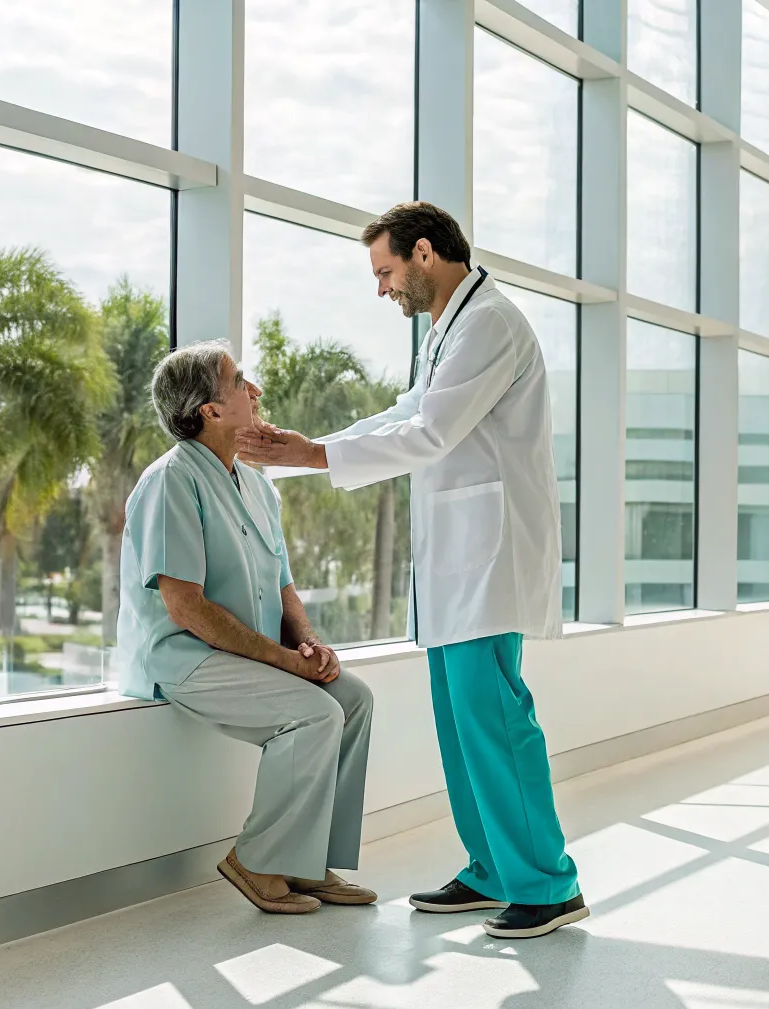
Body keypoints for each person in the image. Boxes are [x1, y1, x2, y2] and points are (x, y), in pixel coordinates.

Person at [235, 202, 583, 940]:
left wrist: (314, 455)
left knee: (493, 722)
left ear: (424, 254)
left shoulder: (488, 322)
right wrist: (312, 449)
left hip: (489, 559)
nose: (383, 288)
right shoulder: (450, 327)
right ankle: (493, 868)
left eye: (386, 271)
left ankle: (548, 883)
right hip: (461, 563)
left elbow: (430, 432)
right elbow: (411, 410)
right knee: (461, 727)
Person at [118, 341, 377, 916]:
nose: (254, 390)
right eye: (239, 383)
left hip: (250, 652)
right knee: (314, 712)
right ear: (209, 410)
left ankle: (306, 863)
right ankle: (257, 860)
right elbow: (187, 609)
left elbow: (283, 582)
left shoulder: (259, 485)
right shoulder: (170, 481)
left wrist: (307, 643)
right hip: (186, 657)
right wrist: (285, 663)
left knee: (351, 697)